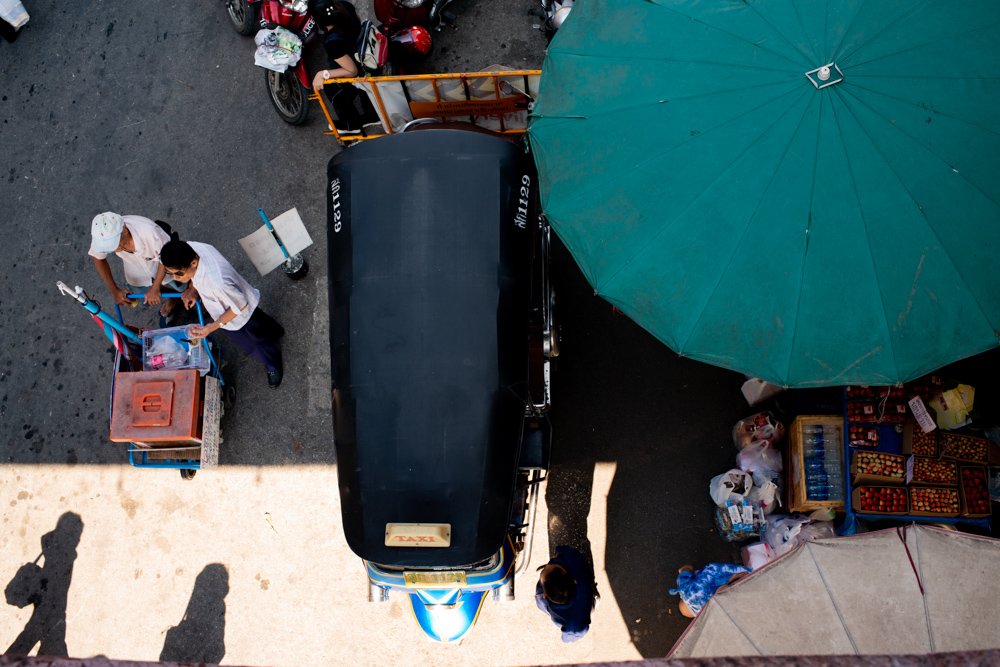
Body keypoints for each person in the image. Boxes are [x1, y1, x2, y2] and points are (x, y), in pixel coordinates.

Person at [159, 236, 285, 388]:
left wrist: (211, 327)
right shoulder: (192, 247)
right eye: (170, 273)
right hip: (241, 297)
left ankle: (272, 363)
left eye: (178, 274)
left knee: (254, 343)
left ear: (193, 262)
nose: (175, 278)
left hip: (238, 317)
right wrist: (192, 289)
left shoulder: (216, 283)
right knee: (260, 320)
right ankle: (275, 330)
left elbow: (240, 306)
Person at [88, 211, 183, 319]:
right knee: (142, 291)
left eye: (115, 244)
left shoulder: (149, 232)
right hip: (136, 269)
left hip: (165, 261)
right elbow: (98, 258)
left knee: (182, 285)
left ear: (124, 230)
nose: (113, 249)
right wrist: (114, 289)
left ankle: (195, 294)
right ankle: (173, 297)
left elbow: (166, 258)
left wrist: (155, 286)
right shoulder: (102, 235)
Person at [309, 0, 371, 132]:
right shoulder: (345, 6)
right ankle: (372, 114)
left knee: (332, 88)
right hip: (364, 53)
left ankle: (351, 127)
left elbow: (352, 71)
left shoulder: (333, 43)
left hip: (359, 69)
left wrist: (323, 74)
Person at [535, 545, 597, 642]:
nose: (548, 565)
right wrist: (559, 550)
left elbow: (575, 633)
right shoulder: (575, 561)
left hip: (576, 613)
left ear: (545, 595)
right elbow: (567, 550)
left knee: (588, 606)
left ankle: (594, 602)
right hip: (580, 602)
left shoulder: (574, 622)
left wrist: (566, 639)